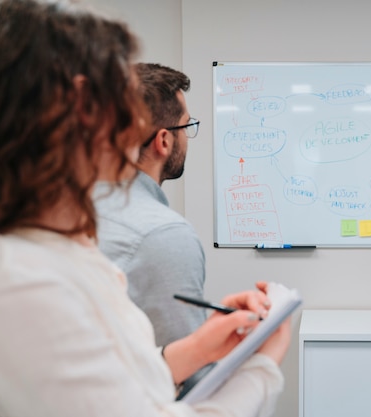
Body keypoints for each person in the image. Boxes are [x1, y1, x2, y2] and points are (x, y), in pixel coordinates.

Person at [0, 1, 290, 416]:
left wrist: (198, 347)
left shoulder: (64, 243)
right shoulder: (25, 282)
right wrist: (263, 365)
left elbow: (114, 383)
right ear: (79, 110)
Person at [93, 63, 207, 395]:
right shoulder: (163, 235)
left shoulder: (65, 209)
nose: (187, 136)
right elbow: (189, 383)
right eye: (187, 126)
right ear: (163, 141)